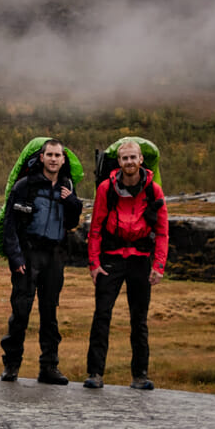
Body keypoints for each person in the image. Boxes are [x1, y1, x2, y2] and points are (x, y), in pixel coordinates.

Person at [84, 138, 167, 391]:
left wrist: (159, 265)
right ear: (118, 162)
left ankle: (140, 376)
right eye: (125, 158)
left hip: (140, 259)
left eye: (133, 157)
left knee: (139, 320)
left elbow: (163, 231)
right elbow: (95, 228)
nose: (129, 162)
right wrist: (94, 264)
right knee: (102, 316)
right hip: (111, 258)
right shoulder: (106, 189)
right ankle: (95, 374)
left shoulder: (154, 190)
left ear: (141, 160)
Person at [0, 139, 81, 385]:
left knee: (50, 313)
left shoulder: (67, 186)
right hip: (29, 253)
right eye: (50, 154)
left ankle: (49, 367)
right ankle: (11, 366)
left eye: (58, 155)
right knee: (21, 311)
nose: (54, 159)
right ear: (42, 157)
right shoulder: (25, 185)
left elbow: (73, 220)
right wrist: (15, 257)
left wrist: (71, 202)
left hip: (55, 256)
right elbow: (10, 224)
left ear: (63, 160)